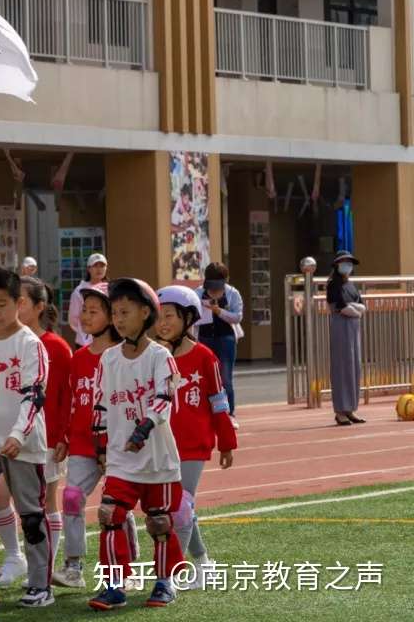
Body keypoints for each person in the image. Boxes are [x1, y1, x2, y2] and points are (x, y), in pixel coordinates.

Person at [89, 278, 183, 611]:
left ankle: (164, 582)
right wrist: (101, 445)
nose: (118, 318)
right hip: (120, 459)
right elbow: (99, 405)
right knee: (110, 515)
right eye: (114, 312)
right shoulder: (109, 359)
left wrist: (142, 429)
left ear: (146, 313)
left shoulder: (160, 357)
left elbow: (164, 398)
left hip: (156, 458)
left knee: (159, 521)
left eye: (125, 311)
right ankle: (114, 584)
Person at [51, 282, 138, 590]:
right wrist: (64, 435)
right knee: (72, 497)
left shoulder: (125, 355)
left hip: (117, 444)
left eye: (93, 311)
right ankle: (73, 567)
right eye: (83, 310)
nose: (85, 317)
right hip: (82, 443)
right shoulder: (79, 358)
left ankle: (126, 569)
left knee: (116, 506)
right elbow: (71, 400)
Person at [0, 267, 53, 608]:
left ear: (19, 303)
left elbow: (34, 394)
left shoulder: (30, 345)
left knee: (33, 517)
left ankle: (41, 585)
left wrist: (18, 434)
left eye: (2, 304)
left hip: (23, 445)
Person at [155, 286, 237, 590]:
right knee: (176, 508)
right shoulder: (153, 356)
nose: (163, 323)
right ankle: (204, 564)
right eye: (159, 317)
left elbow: (219, 401)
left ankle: (171, 576)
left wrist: (226, 441)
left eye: (170, 316)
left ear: (188, 318)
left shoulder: (205, 357)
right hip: (161, 444)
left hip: (194, 444)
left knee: (181, 507)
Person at [18, 276, 72, 593]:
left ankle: (45, 567)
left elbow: (67, 395)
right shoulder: (6, 343)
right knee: (19, 504)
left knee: (45, 502)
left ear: (39, 307)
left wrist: (63, 434)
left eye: (21, 300)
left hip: (47, 438)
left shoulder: (57, 347)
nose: (15, 306)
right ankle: (20, 560)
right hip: (13, 439)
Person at [195, 262, 244, 429]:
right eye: (211, 285)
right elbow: (192, 316)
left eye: (218, 285)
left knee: (225, 379)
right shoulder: (198, 293)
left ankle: (229, 414)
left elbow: (237, 317)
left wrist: (219, 311)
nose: (214, 289)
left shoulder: (232, 293)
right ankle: (206, 415)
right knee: (204, 379)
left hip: (226, 338)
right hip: (204, 338)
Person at [326, 251, 367, 426]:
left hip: (353, 326)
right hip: (341, 324)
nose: (347, 266)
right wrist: (354, 309)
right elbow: (340, 306)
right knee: (342, 366)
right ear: (336, 264)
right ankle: (340, 410)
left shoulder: (351, 285)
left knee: (354, 365)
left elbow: (362, 305)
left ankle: (350, 408)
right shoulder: (333, 284)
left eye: (349, 263)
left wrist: (355, 309)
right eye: (343, 262)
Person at [68, 254, 109, 348]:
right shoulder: (79, 291)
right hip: (84, 343)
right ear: (89, 269)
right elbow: (73, 319)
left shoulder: (110, 289)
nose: (99, 269)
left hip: (106, 343)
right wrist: (85, 332)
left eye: (102, 266)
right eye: (95, 266)